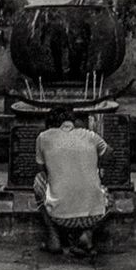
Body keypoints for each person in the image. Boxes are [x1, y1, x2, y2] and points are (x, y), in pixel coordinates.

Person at [34, 106, 110, 257]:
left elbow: (41, 168)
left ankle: (54, 237)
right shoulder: (90, 135)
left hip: (59, 217)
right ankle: (87, 234)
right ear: (73, 122)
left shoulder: (43, 137)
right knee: (108, 193)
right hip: (94, 217)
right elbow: (110, 153)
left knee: (39, 180)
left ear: (50, 125)